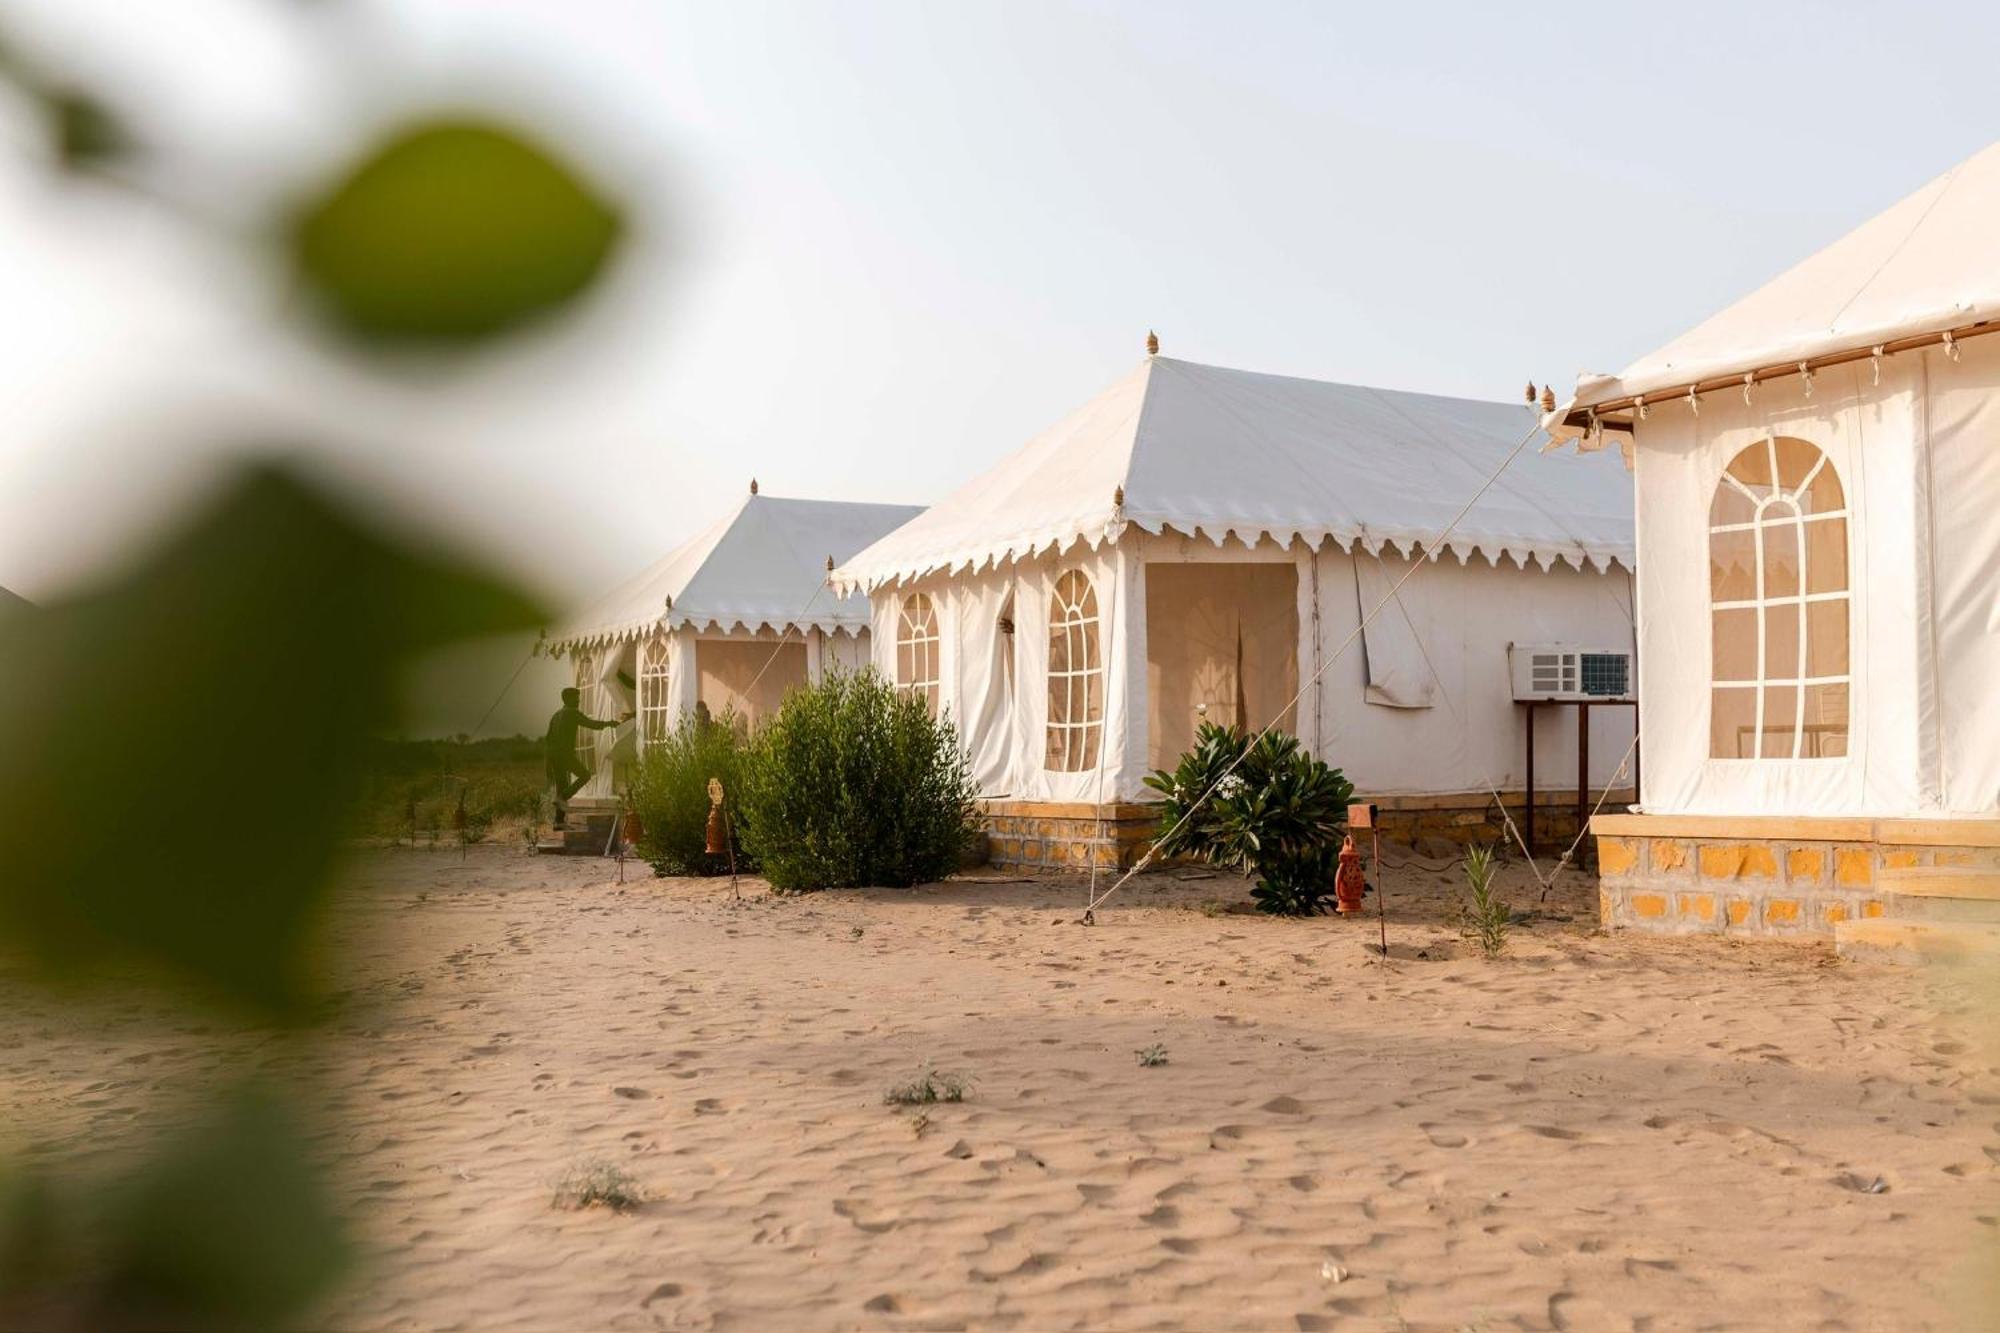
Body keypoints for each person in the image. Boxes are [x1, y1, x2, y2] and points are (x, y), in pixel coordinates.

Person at [545, 686, 628, 827]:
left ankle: (558, 821)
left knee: (562, 785)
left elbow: (548, 739)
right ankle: (562, 798)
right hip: (564, 754)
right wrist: (609, 723)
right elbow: (591, 724)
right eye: (576, 698)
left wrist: (548, 761)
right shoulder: (572, 712)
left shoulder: (556, 715)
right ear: (568, 699)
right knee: (585, 775)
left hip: (553, 755)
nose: (578, 700)